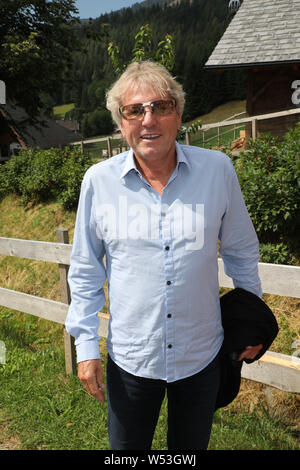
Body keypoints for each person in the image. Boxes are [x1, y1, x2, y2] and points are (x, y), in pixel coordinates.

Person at [65, 60, 263, 450]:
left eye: (161, 106)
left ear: (179, 115)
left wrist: (251, 323)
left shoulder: (218, 170)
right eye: (134, 110)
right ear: (121, 123)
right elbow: (86, 270)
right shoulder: (99, 182)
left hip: (201, 355)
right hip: (131, 360)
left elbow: (241, 251)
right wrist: (86, 347)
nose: (148, 119)